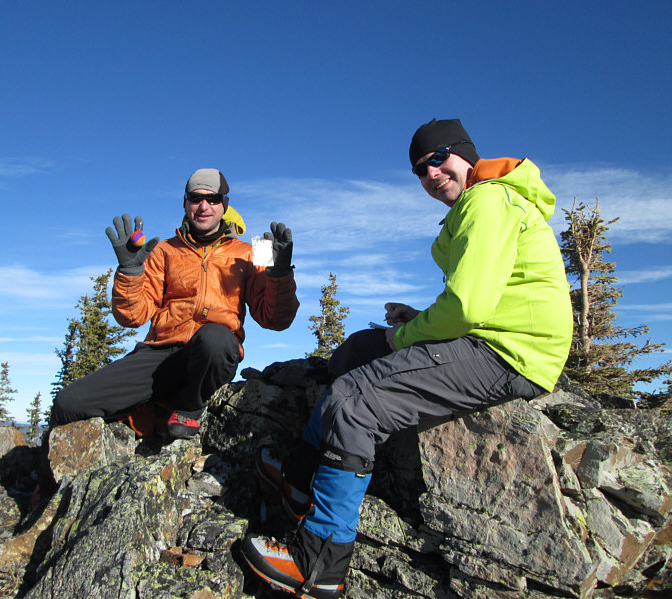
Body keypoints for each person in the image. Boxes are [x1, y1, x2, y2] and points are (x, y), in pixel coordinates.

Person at [241, 119, 573, 599]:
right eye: (420, 169)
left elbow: (467, 307)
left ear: (464, 154)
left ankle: (319, 565)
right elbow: (485, 298)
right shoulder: (484, 203)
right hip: (497, 338)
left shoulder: (488, 200)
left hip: (509, 353)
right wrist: (416, 318)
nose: (431, 173)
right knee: (352, 369)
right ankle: (299, 481)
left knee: (357, 403)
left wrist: (406, 338)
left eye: (438, 159)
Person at [50, 168, 300, 439]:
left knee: (215, 337)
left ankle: (190, 407)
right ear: (185, 203)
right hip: (160, 355)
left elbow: (274, 319)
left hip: (210, 357)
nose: (204, 206)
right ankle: (43, 475)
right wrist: (130, 271)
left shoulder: (249, 253)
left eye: (213, 199)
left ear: (224, 206)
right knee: (67, 403)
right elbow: (132, 316)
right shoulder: (164, 250)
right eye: (195, 198)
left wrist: (280, 273)